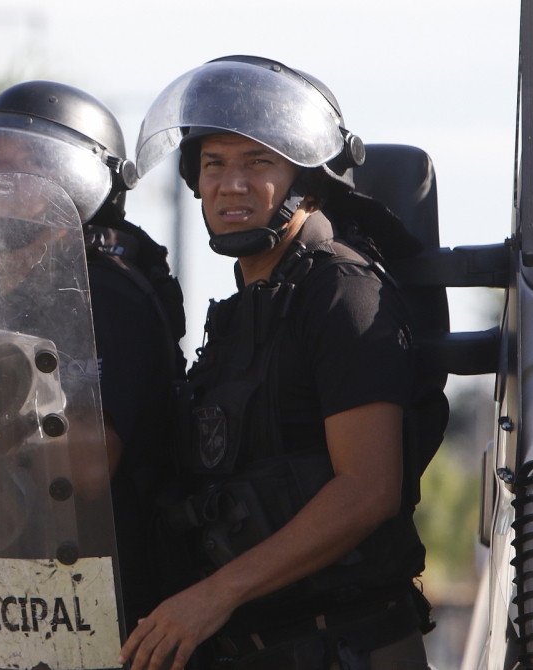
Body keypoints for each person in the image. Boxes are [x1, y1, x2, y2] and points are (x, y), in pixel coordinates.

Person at [118, 56, 443, 670]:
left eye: (257, 162)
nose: (230, 184)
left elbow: (368, 489)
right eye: (213, 163)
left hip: (346, 647)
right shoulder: (252, 308)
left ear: (307, 182)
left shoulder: (342, 292)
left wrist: (216, 595)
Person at [0, 81, 187, 627]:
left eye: (20, 167)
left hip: (95, 613)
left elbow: (88, 465)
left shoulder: (105, 293)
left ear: (73, 182)